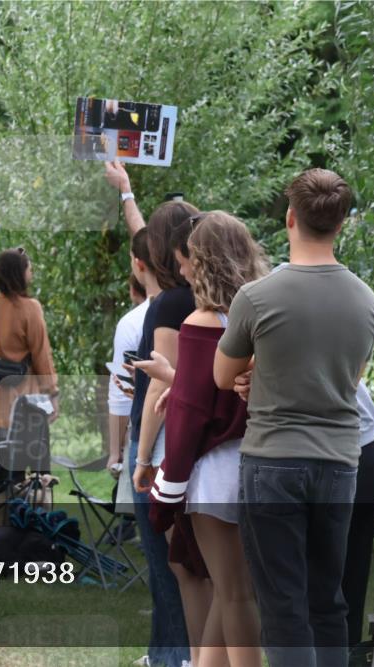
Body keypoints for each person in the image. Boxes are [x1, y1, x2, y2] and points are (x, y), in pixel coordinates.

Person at [214, 169, 374, 667]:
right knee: (327, 600)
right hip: (339, 461)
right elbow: (348, 379)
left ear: (290, 217)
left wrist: (260, 370)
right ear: (341, 223)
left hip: (273, 459)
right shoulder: (365, 299)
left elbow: (223, 376)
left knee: (283, 605)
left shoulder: (256, 297)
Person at [147, 211, 267, 667]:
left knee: (234, 593)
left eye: (188, 260)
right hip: (259, 461)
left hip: (216, 471)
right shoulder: (263, 315)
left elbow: (191, 415)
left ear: (205, 261)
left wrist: (167, 486)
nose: (182, 271)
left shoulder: (201, 323)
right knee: (232, 589)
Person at [127, 200, 199, 667]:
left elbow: (161, 380)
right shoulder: (205, 297)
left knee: (166, 562)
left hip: (160, 441)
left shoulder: (171, 303)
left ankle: (174, 657)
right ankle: (165, 654)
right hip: (189, 439)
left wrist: (141, 458)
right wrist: (125, 194)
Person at [0, 247, 58, 443]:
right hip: (24, 406)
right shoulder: (30, 308)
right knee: (26, 460)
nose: (31, 273)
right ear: (20, 273)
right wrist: (52, 393)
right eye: (29, 269)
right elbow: (42, 356)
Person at [107, 230, 155, 479]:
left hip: (146, 436)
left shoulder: (133, 322)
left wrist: (115, 452)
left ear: (138, 263)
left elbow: (121, 391)